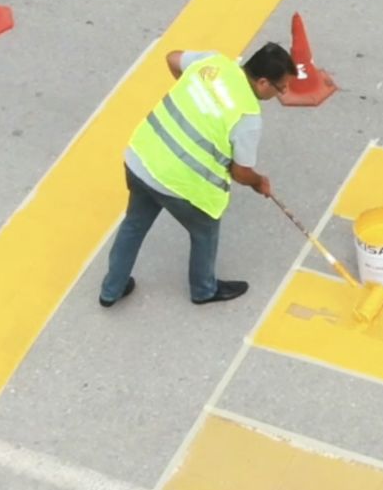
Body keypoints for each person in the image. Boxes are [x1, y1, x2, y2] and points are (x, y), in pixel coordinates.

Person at [99, 42, 295, 307]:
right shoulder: (248, 117)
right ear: (263, 83)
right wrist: (259, 182)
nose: (282, 93)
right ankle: (203, 289)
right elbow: (240, 172)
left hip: (142, 158)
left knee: (134, 224)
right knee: (205, 231)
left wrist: (193, 98)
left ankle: (112, 289)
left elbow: (172, 58)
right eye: (280, 87)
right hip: (179, 183)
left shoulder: (213, 63)